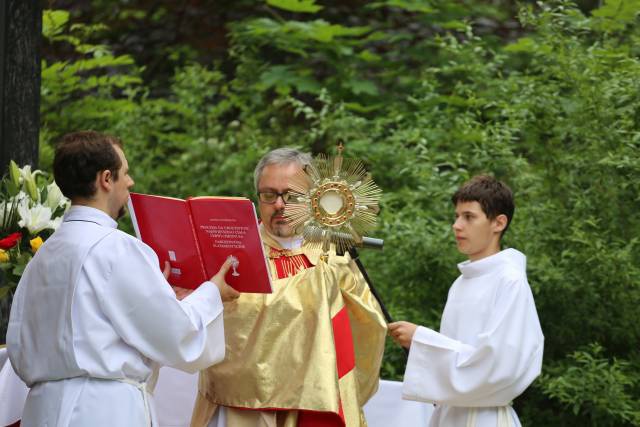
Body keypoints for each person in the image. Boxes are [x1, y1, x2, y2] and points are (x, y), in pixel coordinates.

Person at [6, 131, 240, 427]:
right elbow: (174, 334)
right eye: (125, 173)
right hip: (102, 410)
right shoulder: (116, 247)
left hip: (43, 409)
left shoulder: (45, 253)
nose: (130, 182)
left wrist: (159, 292)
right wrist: (211, 293)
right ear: (106, 179)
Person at [191, 148, 388, 427]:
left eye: (292, 195)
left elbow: (366, 325)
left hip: (312, 405)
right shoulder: (232, 253)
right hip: (242, 406)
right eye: (269, 195)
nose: (280, 205)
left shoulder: (334, 257)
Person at [388, 175, 544, 427]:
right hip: (449, 416)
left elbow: (497, 365)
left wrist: (422, 339)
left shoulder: (510, 282)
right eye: (457, 216)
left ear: (498, 223)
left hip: (485, 418)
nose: (457, 225)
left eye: (469, 217)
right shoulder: (461, 283)